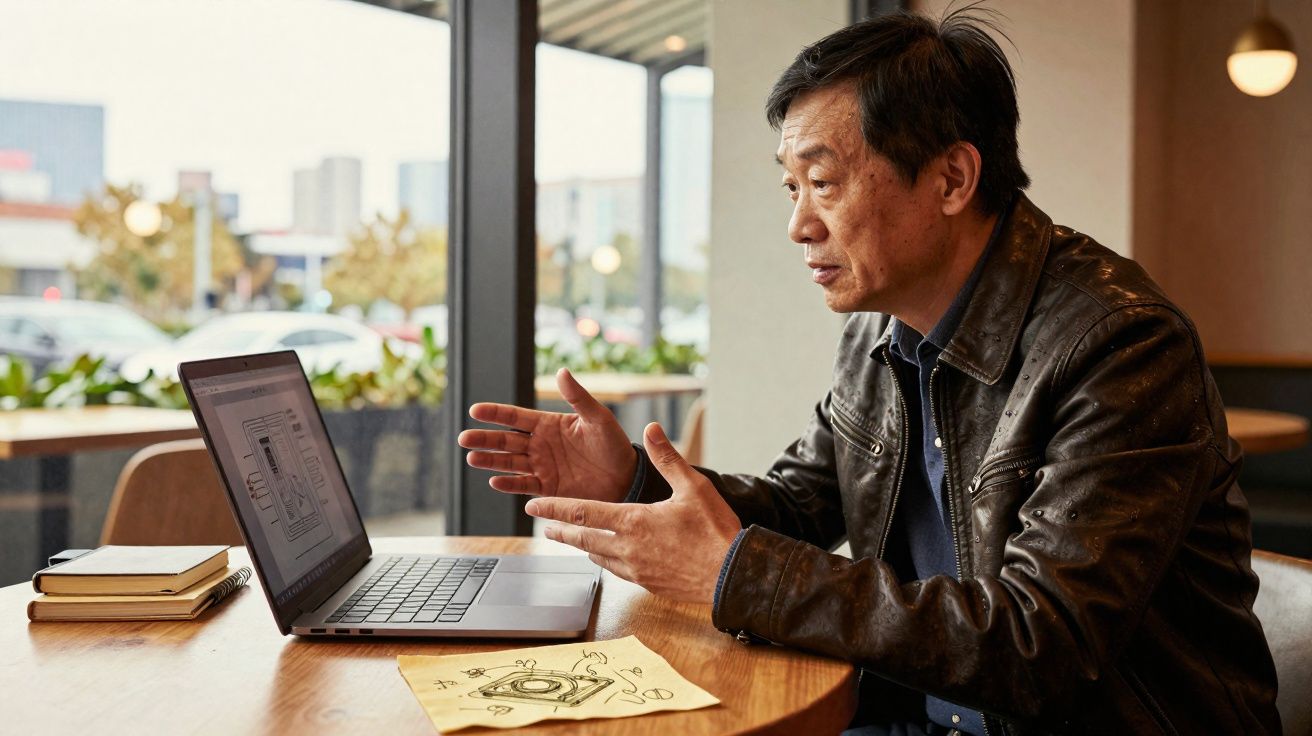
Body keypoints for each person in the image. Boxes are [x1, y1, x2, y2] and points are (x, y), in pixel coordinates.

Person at [457, 8, 1281, 735]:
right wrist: (636, 481)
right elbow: (798, 506)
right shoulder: (880, 333)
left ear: (953, 177)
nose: (797, 225)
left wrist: (739, 574)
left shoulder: (1120, 342)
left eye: (822, 183)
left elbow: (1040, 644)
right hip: (901, 711)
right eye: (791, 187)